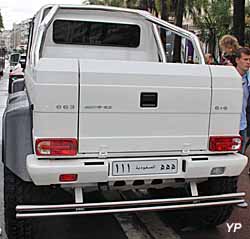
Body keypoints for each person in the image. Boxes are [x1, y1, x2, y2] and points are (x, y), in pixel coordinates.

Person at [235, 47, 250, 154]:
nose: (248, 62)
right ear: (237, 60)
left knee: (241, 156)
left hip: (243, 124)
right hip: (230, 124)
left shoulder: (247, 78)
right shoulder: (230, 77)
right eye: (245, 59)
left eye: (249, 60)